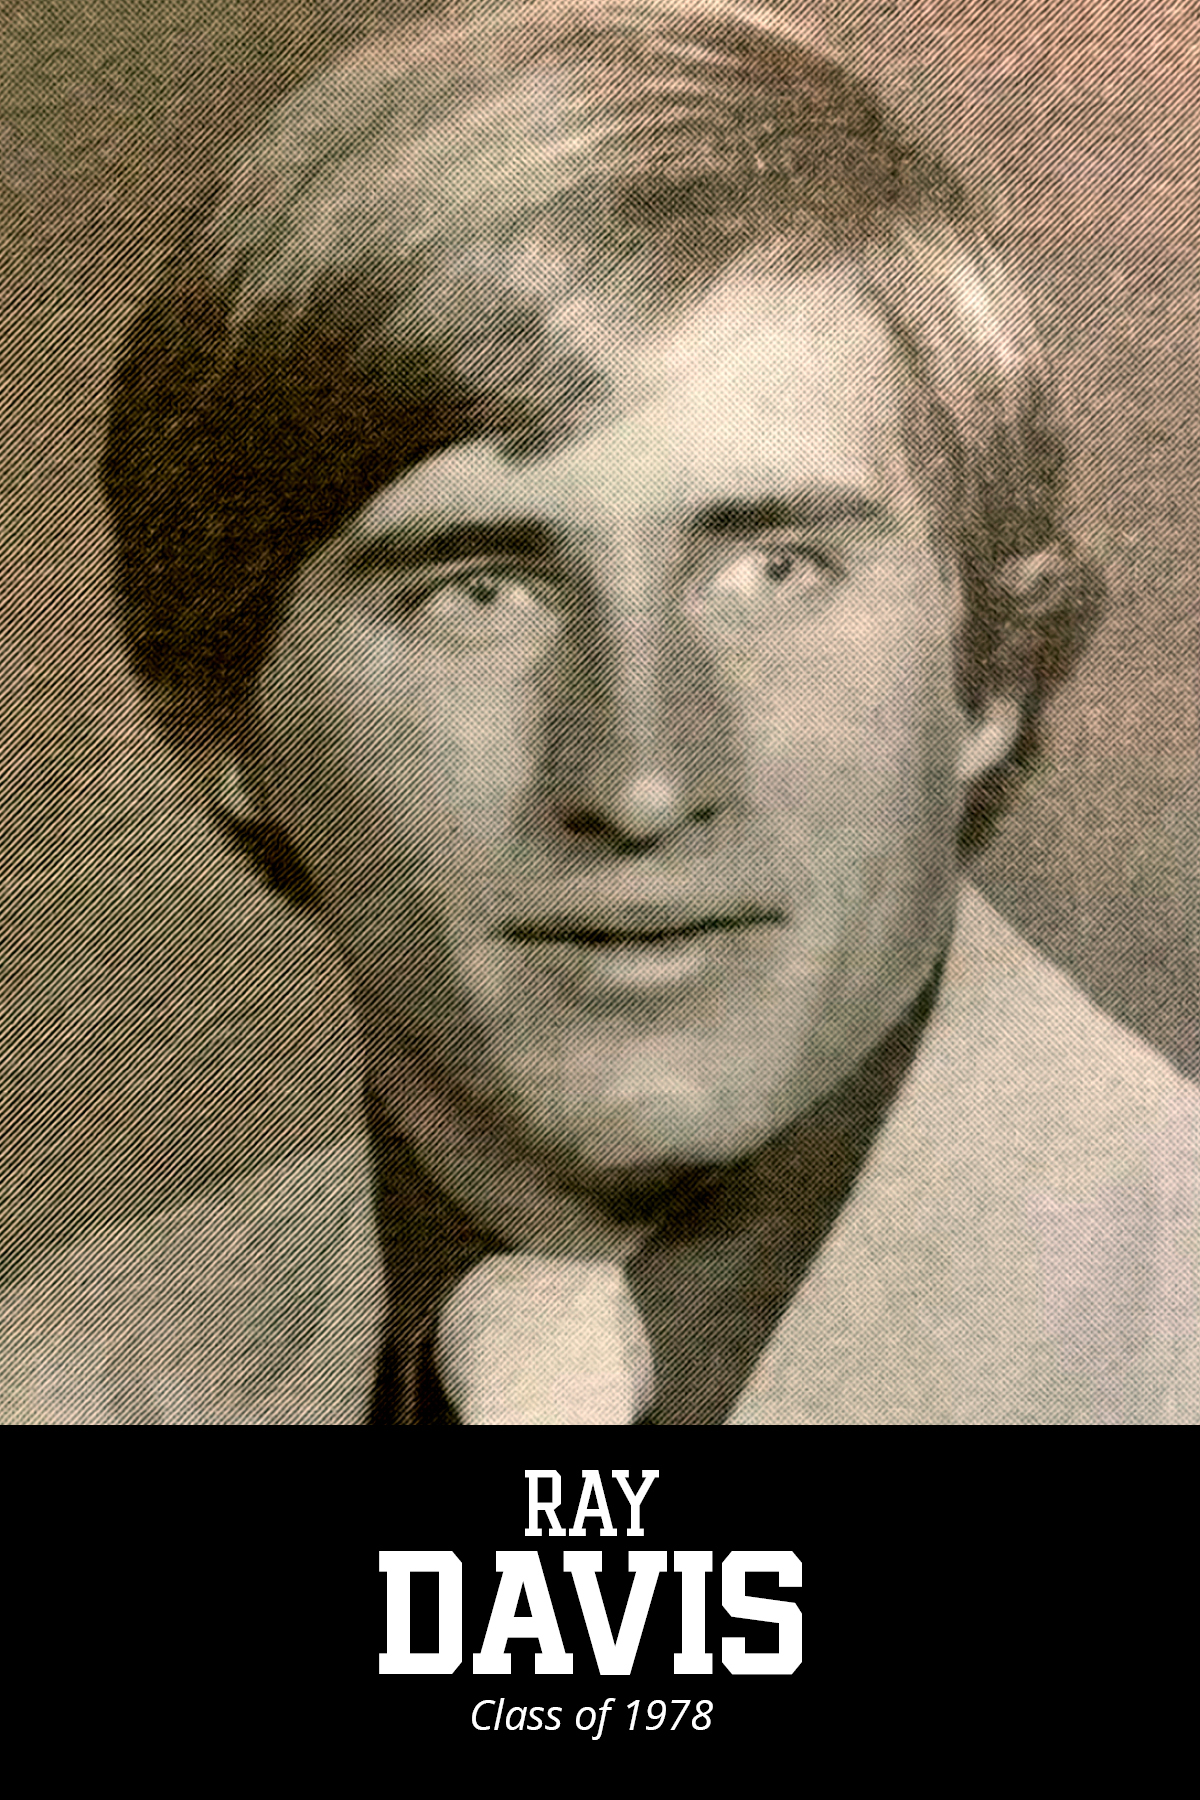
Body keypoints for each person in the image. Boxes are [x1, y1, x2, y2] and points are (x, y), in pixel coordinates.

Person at [3, 0, 1197, 1424]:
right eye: (479, 591)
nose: (637, 781)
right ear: (221, 714)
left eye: (774, 571)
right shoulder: (48, 1374)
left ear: (986, 669)